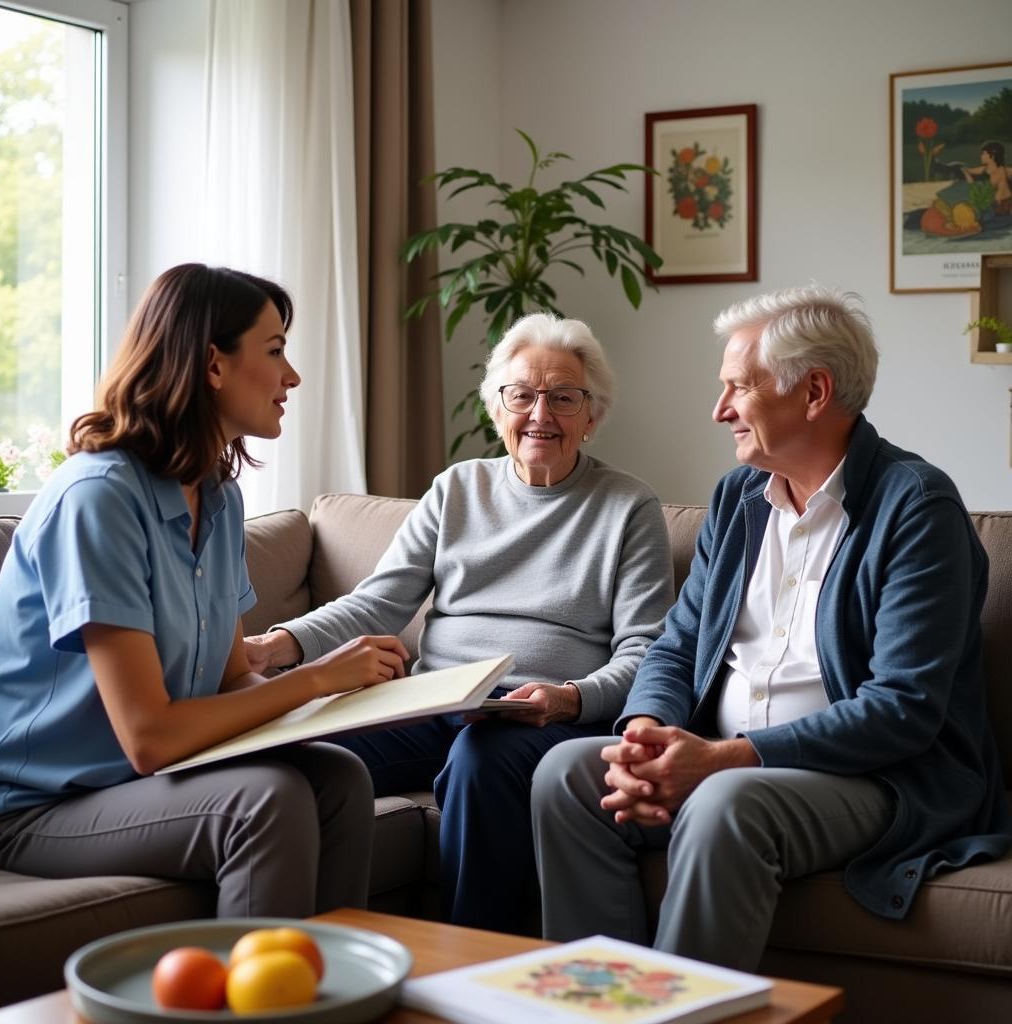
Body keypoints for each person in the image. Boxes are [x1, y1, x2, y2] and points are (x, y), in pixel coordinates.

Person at [531, 286, 1012, 971]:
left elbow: (902, 711)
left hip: (877, 778)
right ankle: (601, 1004)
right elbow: (676, 646)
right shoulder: (736, 500)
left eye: (737, 388)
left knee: (726, 803)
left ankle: (685, 1021)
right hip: (723, 756)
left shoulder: (916, 507)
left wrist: (727, 757)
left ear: (813, 392)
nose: (719, 410)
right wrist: (644, 733)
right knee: (565, 775)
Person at [0, 263, 408, 918]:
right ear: (214, 365)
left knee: (340, 777)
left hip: (145, 783)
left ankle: (330, 991)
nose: (291, 376)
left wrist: (345, 704)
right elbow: (150, 737)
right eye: (274, 352)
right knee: (265, 799)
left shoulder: (218, 497)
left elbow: (232, 680)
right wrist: (316, 679)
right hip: (40, 805)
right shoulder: (98, 499)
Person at [245, 311, 673, 935]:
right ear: (497, 408)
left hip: (537, 714)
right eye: (522, 395)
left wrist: (570, 698)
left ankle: (472, 958)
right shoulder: (456, 490)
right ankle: (298, 950)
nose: (540, 415)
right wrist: (278, 645)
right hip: (433, 699)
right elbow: (377, 602)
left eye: (563, 398)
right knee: (302, 751)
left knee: (481, 756)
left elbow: (646, 648)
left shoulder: (628, 507)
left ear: (593, 414)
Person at [961, 140, 1012, 215]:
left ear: (992, 156)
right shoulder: (986, 168)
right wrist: (966, 171)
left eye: (983, 154)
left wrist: (972, 183)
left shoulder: (998, 172)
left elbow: (983, 194)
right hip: (994, 203)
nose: (981, 156)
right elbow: (970, 170)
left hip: (1002, 205)